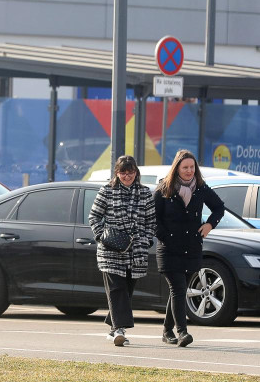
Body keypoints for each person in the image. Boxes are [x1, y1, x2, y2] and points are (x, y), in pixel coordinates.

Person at [154, 149, 225, 348]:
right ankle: (182, 332)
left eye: (192, 167)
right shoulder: (164, 188)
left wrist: (209, 225)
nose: (189, 171)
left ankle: (167, 330)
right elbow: (153, 218)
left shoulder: (201, 188)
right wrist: (166, 237)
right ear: (177, 168)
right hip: (169, 249)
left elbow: (219, 207)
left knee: (179, 290)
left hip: (192, 247)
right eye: (185, 167)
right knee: (177, 288)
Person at [89, 155, 155, 347]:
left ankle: (112, 328)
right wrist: (103, 236)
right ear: (117, 173)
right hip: (111, 251)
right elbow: (94, 217)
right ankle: (119, 330)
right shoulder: (106, 191)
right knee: (117, 289)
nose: (127, 176)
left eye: (131, 172)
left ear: (136, 172)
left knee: (126, 291)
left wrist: (146, 239)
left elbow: (151, 221)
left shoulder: (145, 193)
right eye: (123, 172)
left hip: (136, 252)